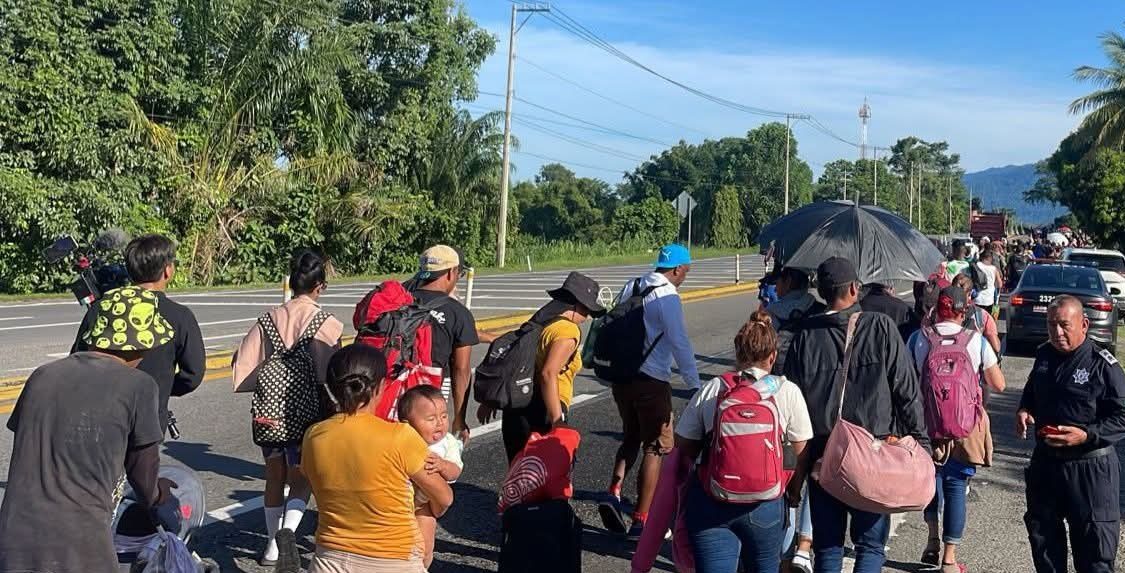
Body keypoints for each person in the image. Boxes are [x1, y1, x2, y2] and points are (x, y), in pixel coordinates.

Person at [0, 287, 181, 573]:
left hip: (14, 534)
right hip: (80, 543)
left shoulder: (43, 375)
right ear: (142, 344)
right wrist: (160, 496)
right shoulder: (138, 386)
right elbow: (143, 475)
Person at [783, 257, 929, 573]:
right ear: (854, 288)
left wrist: (795, 471)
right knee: (871, 547)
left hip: (823, 456)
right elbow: (906, 391)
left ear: (821, 291)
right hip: (873, 454)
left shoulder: (805, 336)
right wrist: (921, 443)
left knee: (827, 547)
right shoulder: (880, 327)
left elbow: (791, 408)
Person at [673, 309, 814, 573]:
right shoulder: (788, 391)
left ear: (737, 354)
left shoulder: (714, 388)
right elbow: (802, 451)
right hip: (766, 503)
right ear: (773, 356)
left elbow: (683, 443)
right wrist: (792, 493)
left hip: (713, 500)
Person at [232, 250, 343, 567]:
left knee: (273, 477)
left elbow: (242, 368)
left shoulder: (267, 320)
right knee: (300, 479)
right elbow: (332, 374)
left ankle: (270, 545)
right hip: (307, 414)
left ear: (292, 282)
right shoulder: (327, 323)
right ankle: (286, 538)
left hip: (270, 413)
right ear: (320, 286)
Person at [302, 344, 453, 573]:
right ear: (381, 386)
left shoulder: (313, 435)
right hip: (393, 559)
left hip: (329, 558)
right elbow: (444, 497)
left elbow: (315, 485)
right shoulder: (399, 436)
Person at [600, 244, 702, 541]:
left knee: (631, 436)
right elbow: (679, 343)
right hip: (651, 381)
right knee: (656, 446)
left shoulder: (632, 285)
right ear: (677, 269)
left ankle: (613, 491)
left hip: (621, 379)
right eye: (685, 272)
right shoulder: (667, 296)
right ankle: (641, 520)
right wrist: (695, 385)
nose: (685, 277)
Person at [1017, 295, 1125, 573]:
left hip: (1090, 469)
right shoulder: (1044, 355)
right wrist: (1025, 409)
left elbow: (1122, 416)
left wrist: (1087, 435)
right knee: (1045, 547)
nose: (1057, 332)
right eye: (1051, 324)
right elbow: (1032, 390)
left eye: (1064, 325)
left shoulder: (1103, 365)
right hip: (1047, 464)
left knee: (1095, 555)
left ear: (1084, 324)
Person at [907, 286, 1006, 573]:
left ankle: (932, 539)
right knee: (956, 487)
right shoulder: (976, 341)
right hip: (965, 427)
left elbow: (905, 381)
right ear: (964, 312)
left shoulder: (917, 339)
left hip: (927, 425)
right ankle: (949, 560)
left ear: (936, 310)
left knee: (929, 483)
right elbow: (999, 384)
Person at [71, 233, 205, 434]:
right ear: (168, 270)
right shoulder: (180, 315)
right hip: (149, 421)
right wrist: (163, 388)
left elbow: (77, 359)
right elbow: (193, 375)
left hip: (100, 419)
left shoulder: (101, 308)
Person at [481, 272, 605, 461]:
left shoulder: (539, 322)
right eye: (587, 310)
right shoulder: (567, 330)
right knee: (550, 472)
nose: (587, 317)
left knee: (519, 471)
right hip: (545, 409)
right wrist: (557, 420)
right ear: (577, 305)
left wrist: (491, 400)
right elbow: (548, 373)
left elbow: (513, 356)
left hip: (516, 405)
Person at [408, 245, 479, 444]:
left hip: (395, 388)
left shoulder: (400, 298)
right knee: (429, 450)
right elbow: (461, 369)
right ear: (451, 272)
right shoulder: (458, 313)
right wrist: (459, 418)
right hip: (431, 392)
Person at [398, 385, 464, 569]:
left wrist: (443, 465)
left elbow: (455, 472)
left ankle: (422, 568)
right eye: (431, 419)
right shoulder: (401, 439)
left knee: (425, 546)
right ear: (407, 424)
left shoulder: (448, 442)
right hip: (399, 501)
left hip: (424, 505)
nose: (440, 423)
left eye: (444, 416)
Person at [769, 267, 824, 377]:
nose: (775, 289)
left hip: (780, 377)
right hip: (813, 373)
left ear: (788, 281)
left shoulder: (771, 314)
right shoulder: (821, 310)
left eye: (777, 282)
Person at [973, 250, 1002, 319]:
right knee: (987, 319)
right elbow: (999, 284)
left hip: (977, 298)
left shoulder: (976, 265)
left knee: (977, 320)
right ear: (990, 258)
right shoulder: (994, 269)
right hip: (989, 299)